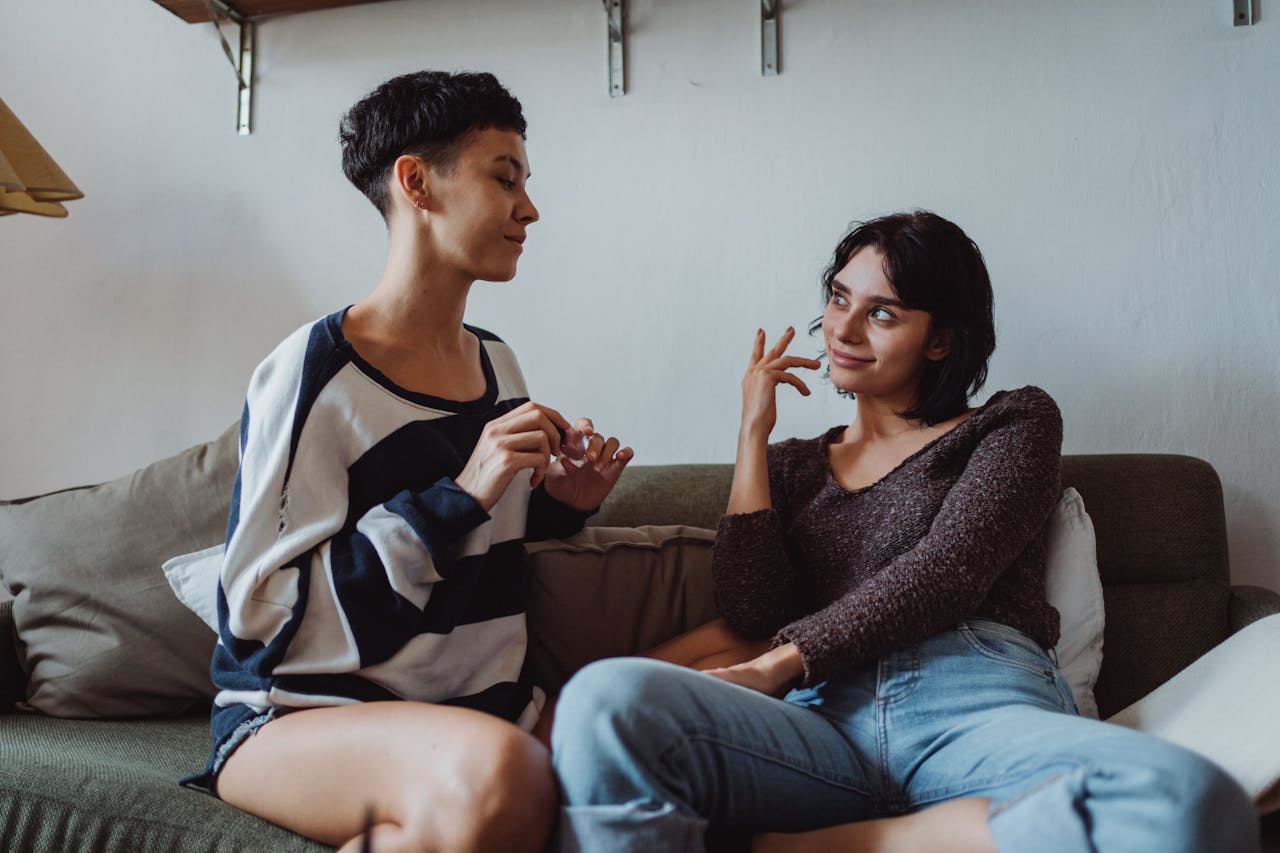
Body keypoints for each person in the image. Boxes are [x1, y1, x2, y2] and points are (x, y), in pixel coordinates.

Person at [550, 211, 1260, 853]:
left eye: (882, 313)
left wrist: (774, 666)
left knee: (1186, 799)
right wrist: (751, 432)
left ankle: (827, 845)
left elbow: (948, 571)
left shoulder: (1010, 424)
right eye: (838, 298)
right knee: (604, 702)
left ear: (942, 340)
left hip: (972, 708)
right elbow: (752, 607)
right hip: (820, 726)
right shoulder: (793, 466)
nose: (843, 330)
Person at [182, 70, 633, 853]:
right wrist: (461, 491)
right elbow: (259, 623)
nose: (530, 209)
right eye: (505, 179)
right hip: (299, 716)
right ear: (416, 182)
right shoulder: (315, 372)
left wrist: (562, 500)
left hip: (472, 714)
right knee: (508, 773)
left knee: (676, 710)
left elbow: (482, 547)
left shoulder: (501, 366)